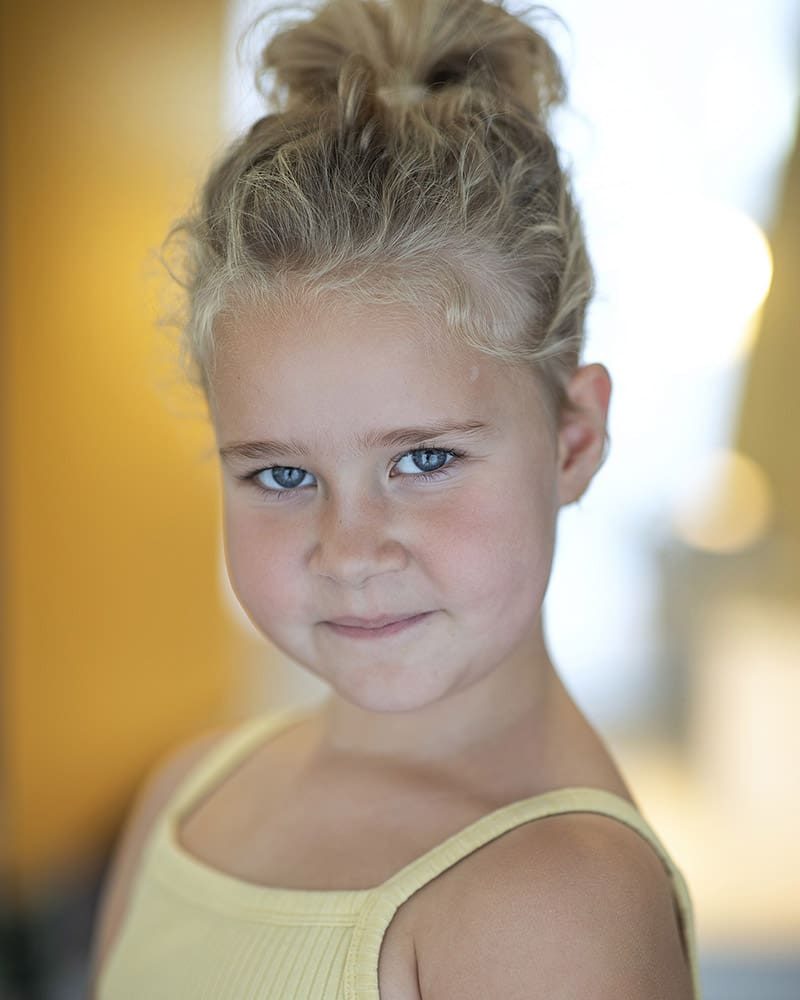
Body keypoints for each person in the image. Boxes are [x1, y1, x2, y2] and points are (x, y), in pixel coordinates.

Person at [88, 0, 702, 996]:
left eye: (422, 460)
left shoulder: (549, 907)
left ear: (572, 439)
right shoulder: (184, 795)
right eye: (281, 474)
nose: (349, 548)